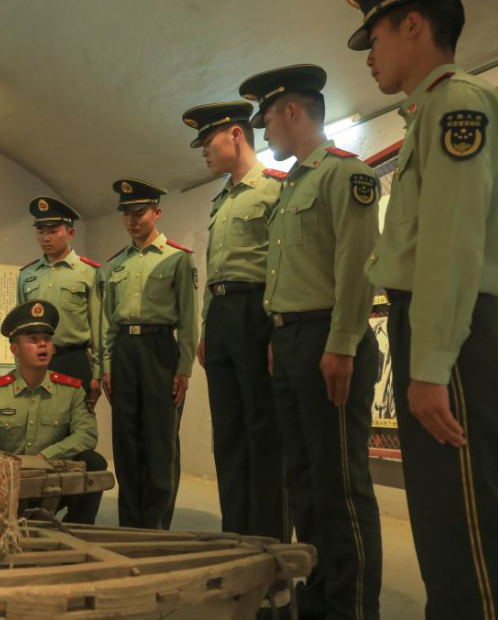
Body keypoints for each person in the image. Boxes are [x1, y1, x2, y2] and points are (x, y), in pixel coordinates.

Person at [341, 0, 498, 618]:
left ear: (413, 25)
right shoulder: (431, 110)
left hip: (455, 344)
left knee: (474, 548)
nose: (369, 56)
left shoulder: (457, 103)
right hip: (443, 334)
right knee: (448, 536)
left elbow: (450, 246)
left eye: (374, 38)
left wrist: (428, 367)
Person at [240, 65, 382, 619]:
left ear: (293, 112)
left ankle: (352, 607)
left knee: (339, 484)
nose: (266, 134)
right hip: (293, 341)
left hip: (329, 338)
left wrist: (343, 343)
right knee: (303, 480)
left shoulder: (345, 175)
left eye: (269, 121)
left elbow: (357, 265)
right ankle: (320, 599)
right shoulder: (293, 184)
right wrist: (279, 334)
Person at [180, 101, 288, 539]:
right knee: (227, 433)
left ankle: (269, 540)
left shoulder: (275, 188)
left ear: (237, 135)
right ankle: (236, 534)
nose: (205, 151)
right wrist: (208, 327)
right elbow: (215, 271)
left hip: (257, 311)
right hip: (223, 316)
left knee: (264, 431)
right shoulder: (221, 200)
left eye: (209, 141)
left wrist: (277, 329)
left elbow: (282, 265)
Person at [0, 299, 106, 524]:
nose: (42, 344)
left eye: (47, 339)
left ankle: (78, 527)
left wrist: (44, 457)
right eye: (33, 339)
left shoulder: (71, 391)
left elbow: (87, 434)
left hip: (55, 481)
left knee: (94, 462)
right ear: (15, 349)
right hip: (8, 485)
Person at [102, 179, 198, 530]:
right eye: (126, 214)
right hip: (125, 351)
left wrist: (184, 367)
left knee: (160, 440)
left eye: (139, 213)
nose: (132, 220)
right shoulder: (115, 264)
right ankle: (130, 525)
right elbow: (108, 322)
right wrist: (107, 366)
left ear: (156, 213)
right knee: (126, 441)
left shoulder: (178, 258)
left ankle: (156, 526)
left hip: (160, 350)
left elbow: (188, 319)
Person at [18, 196, 103, 407]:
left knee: (78, 422)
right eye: (41, 231)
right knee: (36, 423)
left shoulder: (89, 272)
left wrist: (98, 372)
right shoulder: (27, 275)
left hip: (74, 360)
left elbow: (99, 326)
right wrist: (20, 367)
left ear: (70, 233)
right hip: (35, 363)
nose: (46, 238)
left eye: (53, 231)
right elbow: (19, 329)